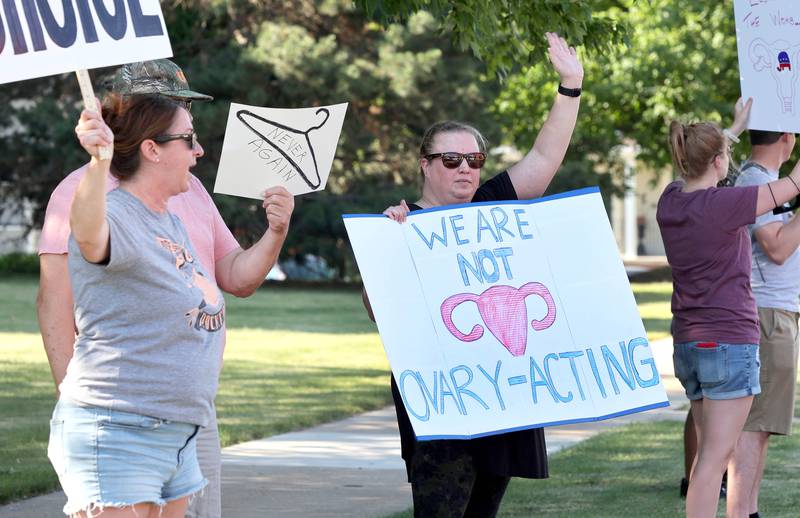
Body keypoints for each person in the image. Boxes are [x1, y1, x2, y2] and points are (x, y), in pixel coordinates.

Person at [38, 61, 293, 517]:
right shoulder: (88, 195)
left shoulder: (179, 200)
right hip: (120, 421)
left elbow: (233, 277)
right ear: (147, 135)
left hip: (185, 418)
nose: (197, 148)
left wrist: (275, 232)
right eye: (183, 127)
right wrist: (72, 397)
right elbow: (70, 277)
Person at [369, 32, 582, 517]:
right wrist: (390, 248)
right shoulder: (401, 226)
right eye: (451, 160)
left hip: (503, 395)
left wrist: (570, 86)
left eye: (475, 160)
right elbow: (376, 311)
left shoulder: (492, 205)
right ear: (425, 165)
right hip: (441, 403)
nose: (465, 169)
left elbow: (545, 158)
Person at [656, 101, 800, 518]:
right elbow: (791, 185)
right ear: (719, 162)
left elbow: (702, 165)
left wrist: (733, 129)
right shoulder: (727, 205)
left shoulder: (671, 201)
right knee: (713, 465)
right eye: (725, 156)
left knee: (707, 461)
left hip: (688, 344)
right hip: (729, 343)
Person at [728, 130, 800, 518]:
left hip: (779, 312)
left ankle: (749, 510)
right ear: (787, 137)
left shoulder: (766, 182)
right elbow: (776, 247)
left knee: (764, 426)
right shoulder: (757, 181)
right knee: (753, 426)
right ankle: (742, 512)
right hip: (766, 314)